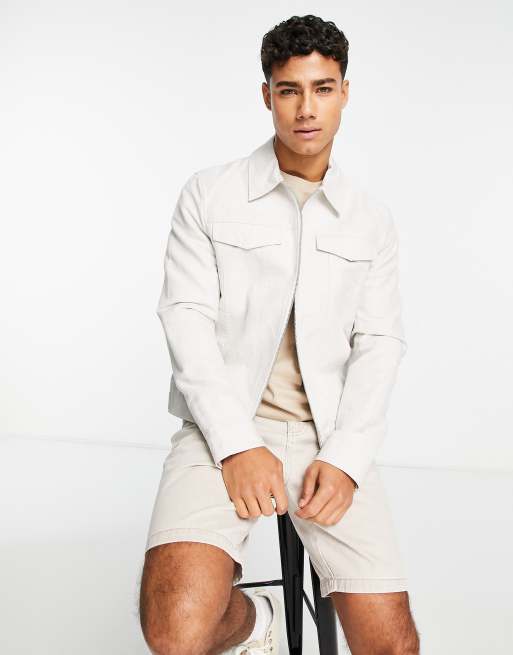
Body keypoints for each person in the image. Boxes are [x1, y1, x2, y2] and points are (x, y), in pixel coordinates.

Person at [139, 14, 420, 655]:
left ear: (344, 92)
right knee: (174, 631)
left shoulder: (370, 220)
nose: (306, 109)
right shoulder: (210, 194)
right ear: (267, 94)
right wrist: (237, 445)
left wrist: (346, 459)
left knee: (393, 646)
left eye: (322, 88)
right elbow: (185, 318)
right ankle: (257, 621)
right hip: (221, 429)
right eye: (289, 90)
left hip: (329, 438)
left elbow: (380, 344)